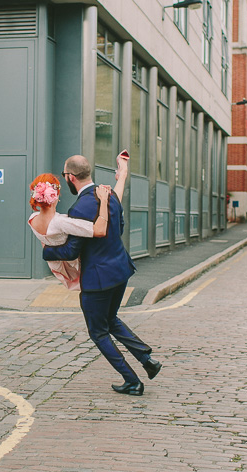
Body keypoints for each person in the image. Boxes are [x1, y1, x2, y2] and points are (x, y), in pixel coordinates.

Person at [42, 153, 161, 396]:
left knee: (98, 332)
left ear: (70, 177)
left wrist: (46, 250)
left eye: (65, 176)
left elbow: (71, 250)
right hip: (121, 270)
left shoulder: (79, 207)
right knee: (111, 319)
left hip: (98, 280)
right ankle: (147, 359)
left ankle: (132, 381)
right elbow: (120, 228)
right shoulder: (109, 196)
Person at [27, 173, 112, 291]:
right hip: (81, 268)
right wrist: (104, 199)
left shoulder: (32, 219)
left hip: (59, 267)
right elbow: (100, 230)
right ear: (55, 195)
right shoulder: (61, 223)